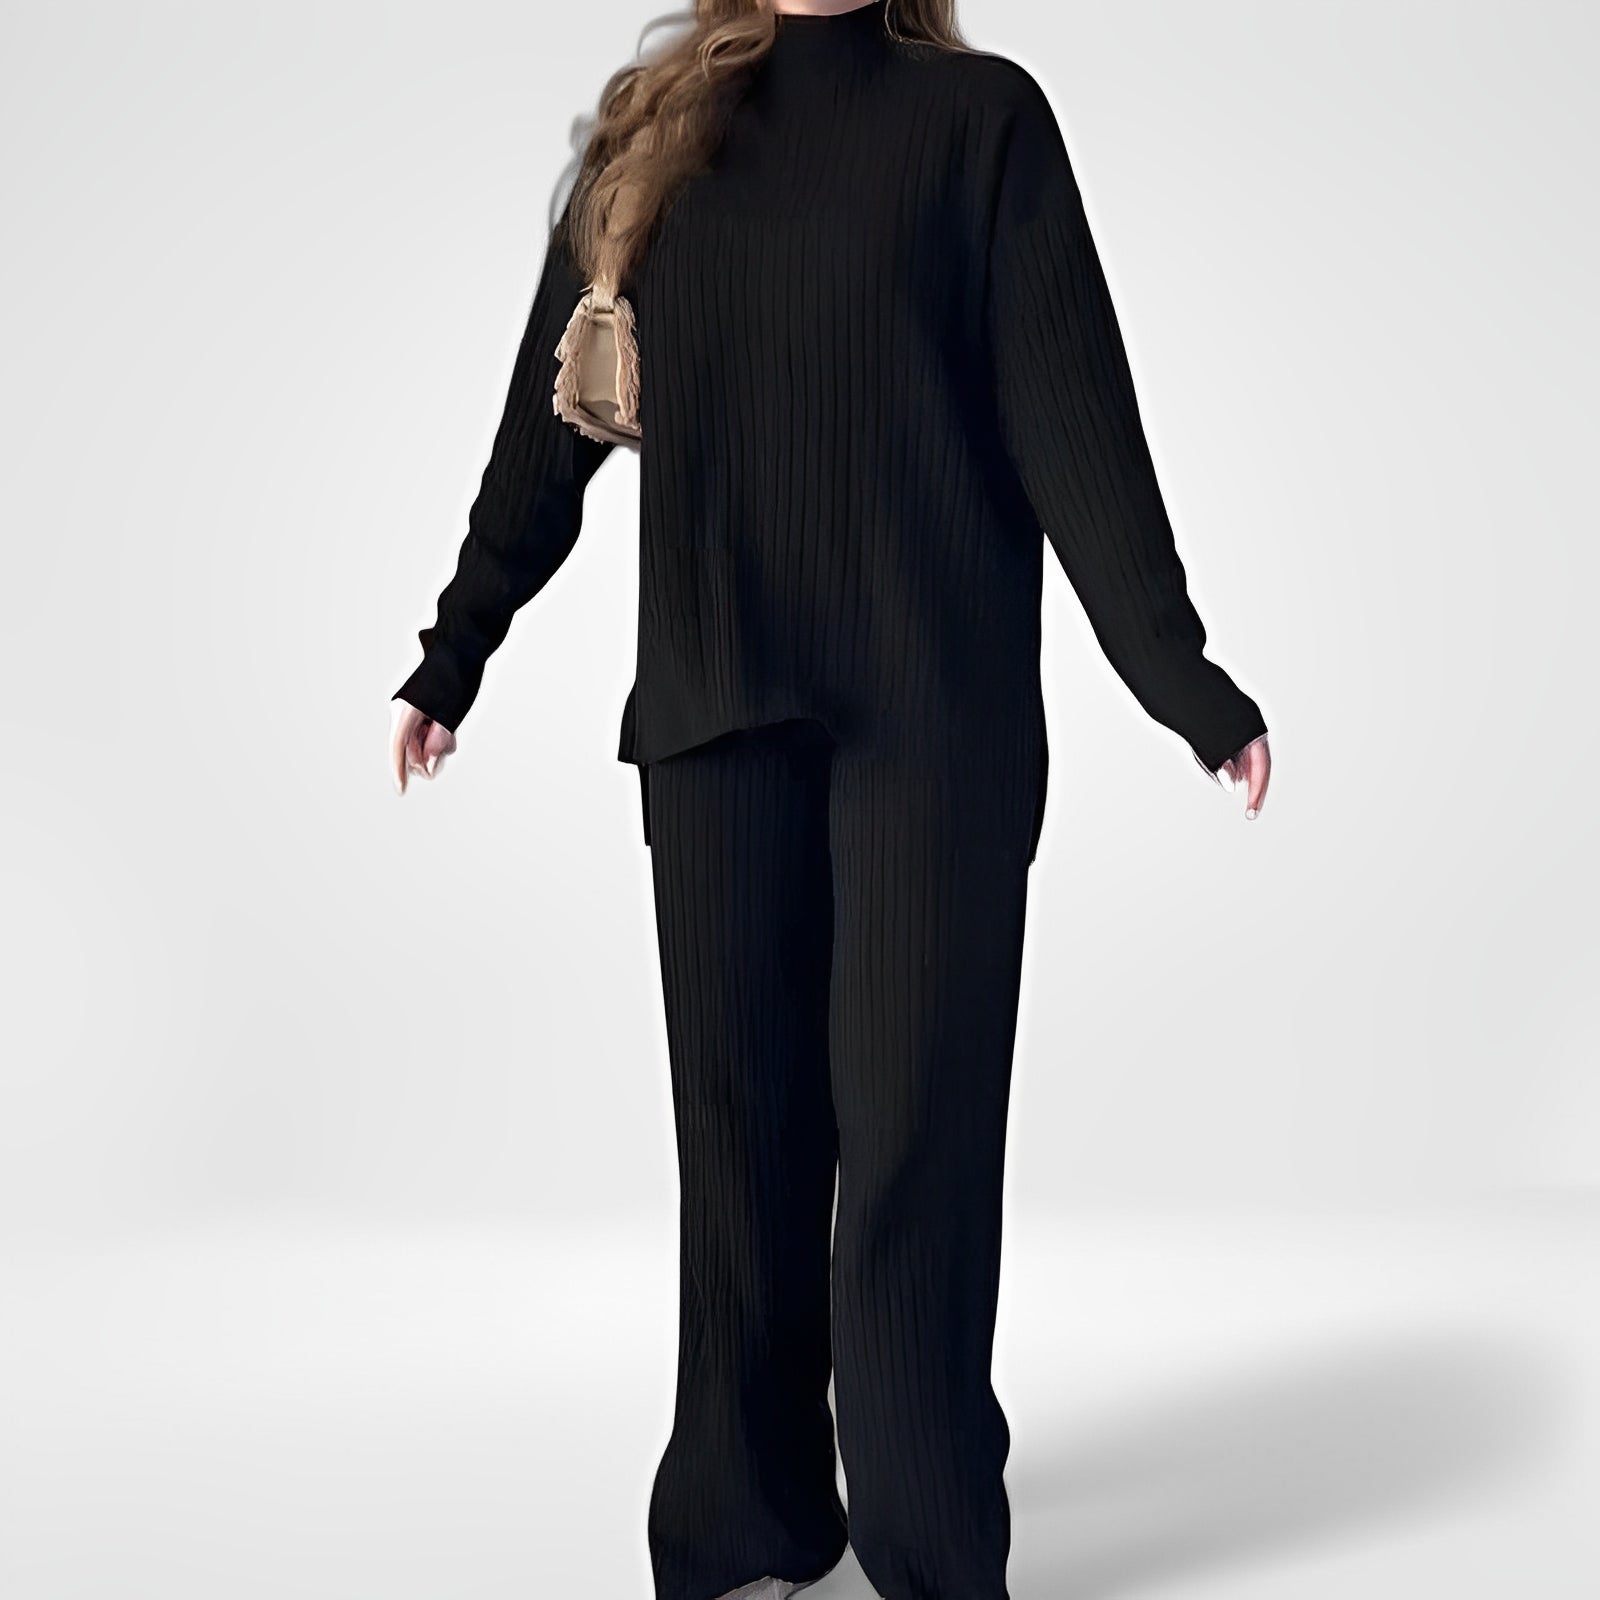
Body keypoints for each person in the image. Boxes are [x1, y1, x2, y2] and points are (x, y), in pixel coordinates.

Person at [388, 2, 1272, 1596]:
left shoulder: (981, 126)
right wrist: (455, 653)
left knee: (916, 1143)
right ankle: (751, 1526)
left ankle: (929, 1547)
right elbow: (546, 430)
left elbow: (1072, 418)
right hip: (716, 718)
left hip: (936, 733)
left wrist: (1179, 676)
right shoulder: (651, 138)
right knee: (744, 1154)